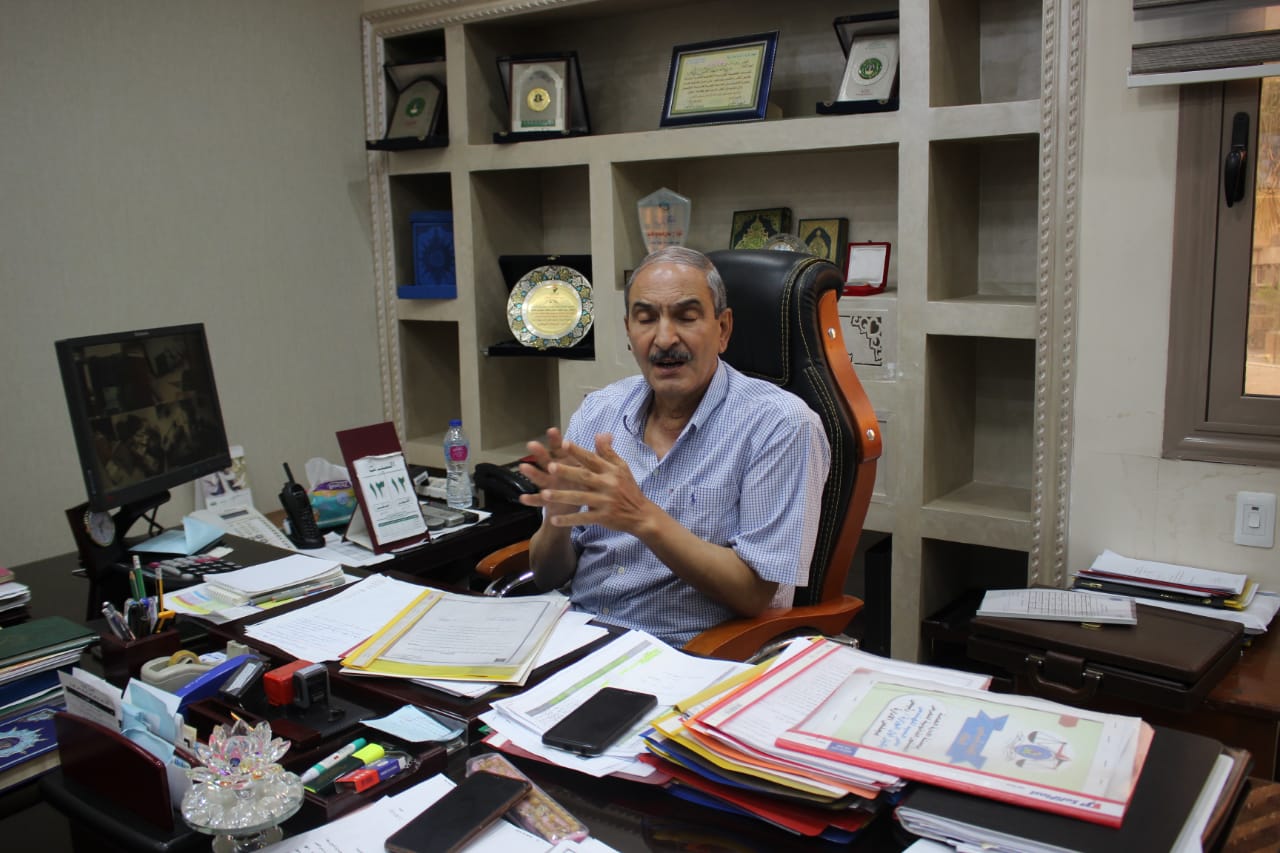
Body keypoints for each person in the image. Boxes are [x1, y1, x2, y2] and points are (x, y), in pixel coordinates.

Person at [518, 246, 831, 647]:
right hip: (577, 637)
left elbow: (755, 594)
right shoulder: (598, 412)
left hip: (693, 653)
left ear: (723, 329)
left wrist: (641, 516)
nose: (665, 339)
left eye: (686, 316)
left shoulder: (780, 425)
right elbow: (548, 576)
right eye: (646, 318)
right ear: (629, 332)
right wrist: (557, 520)